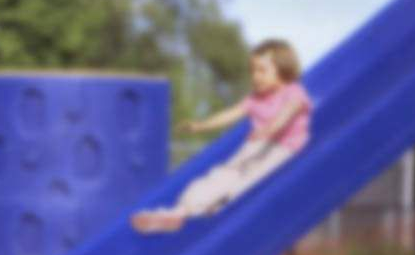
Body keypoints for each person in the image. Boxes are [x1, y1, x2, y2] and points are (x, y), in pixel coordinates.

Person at [131, 39, 312, 234]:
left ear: (283, 69)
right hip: (258, 144)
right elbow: (230, 114)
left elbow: (288, 112)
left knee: (253, 176)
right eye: (252, 70)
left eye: (262, 70)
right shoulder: (255, 98)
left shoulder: (294, 92)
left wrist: (269, 129)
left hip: (284, 147)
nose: (255, 76)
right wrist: (200, 125)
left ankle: (223, 204)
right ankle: (179, 211)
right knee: (225, 172)